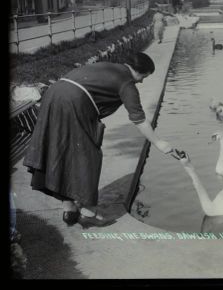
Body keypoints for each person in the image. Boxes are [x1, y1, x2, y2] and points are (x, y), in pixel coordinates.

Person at [23, 52, 174, 228]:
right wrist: (158, 142)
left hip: (53, 95)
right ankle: (87, 214)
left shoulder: (108, 66)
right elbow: (138, 119)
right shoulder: (127, 83)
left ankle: (70, 210)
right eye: (143, 76)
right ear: (139, 71)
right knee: (88, 156)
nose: (141, 81)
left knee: (59, 151)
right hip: (73, 102)